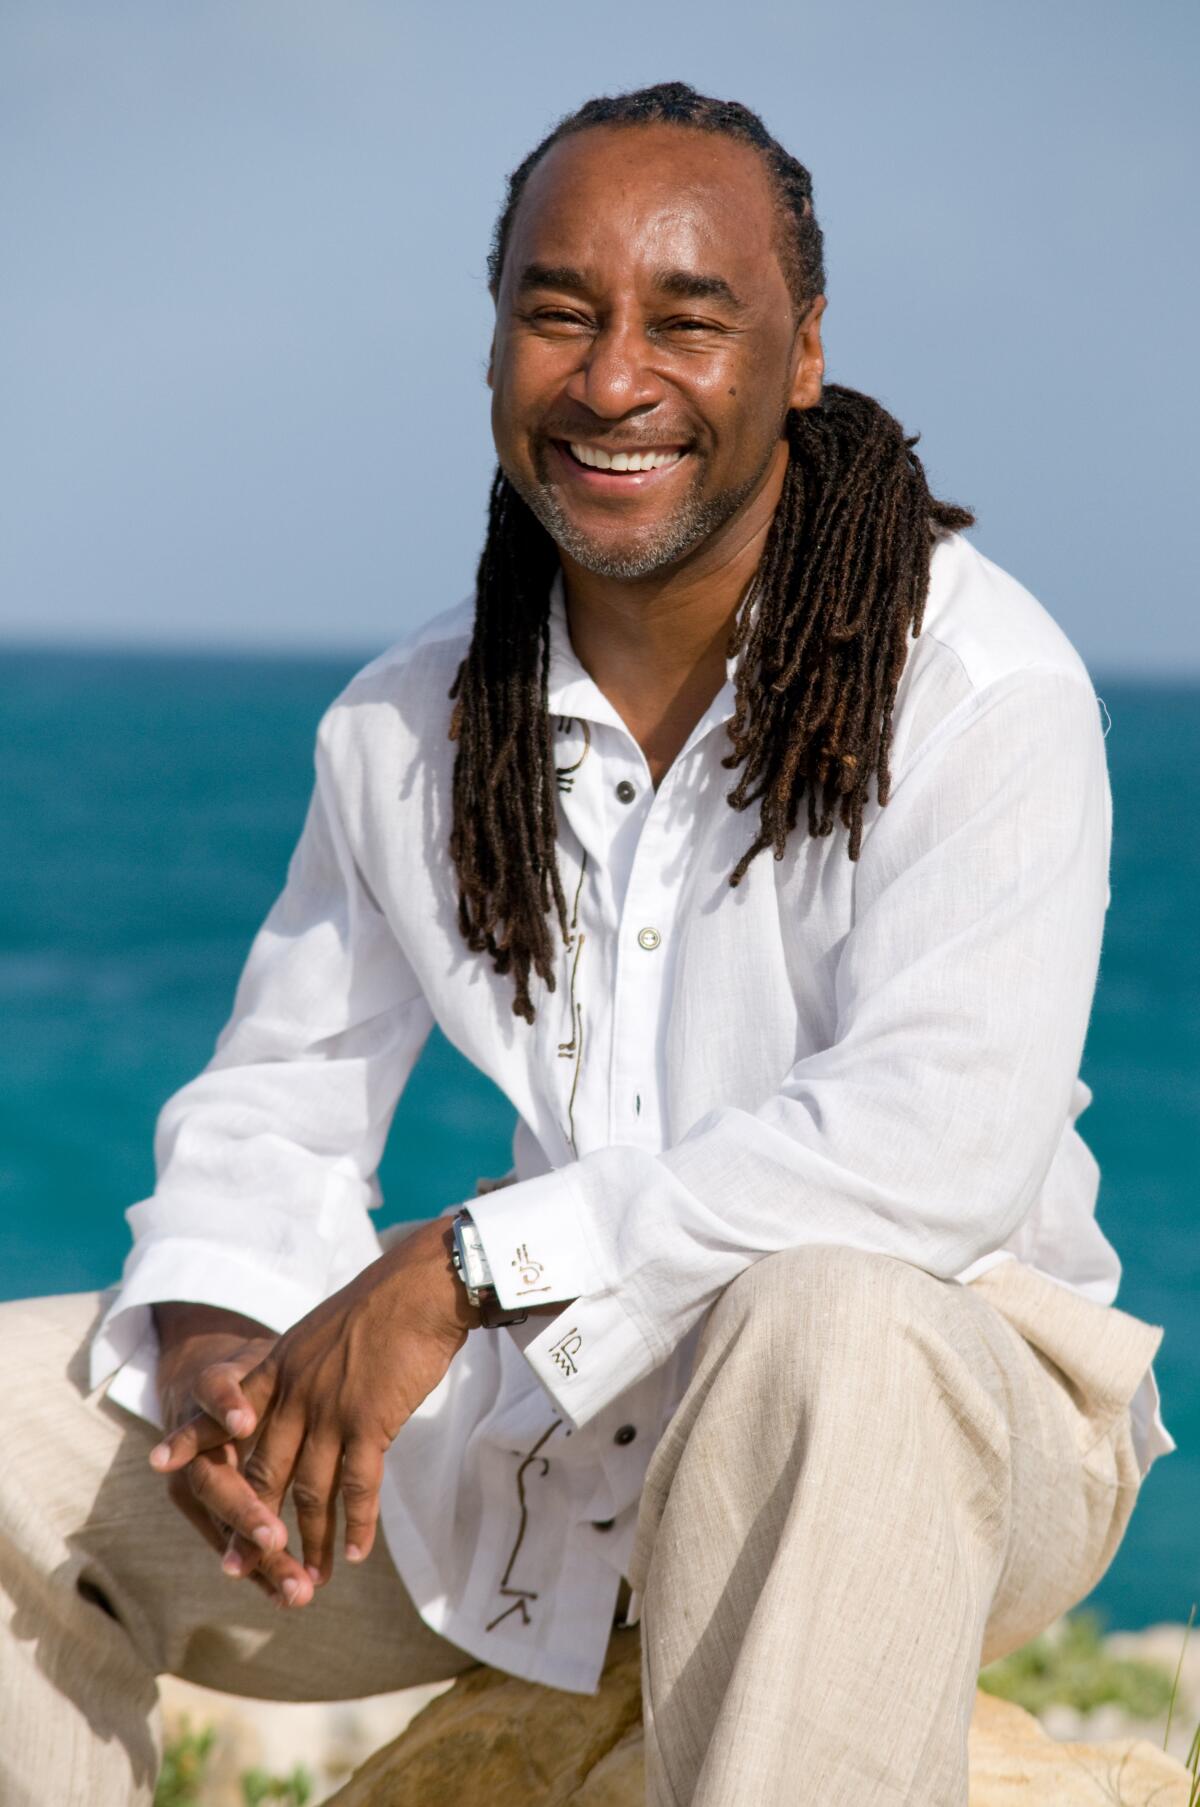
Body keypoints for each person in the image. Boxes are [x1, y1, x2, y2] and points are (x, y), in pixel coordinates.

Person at [0, 81, 1177, 1807]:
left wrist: (467, 1265)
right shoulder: (408, 728)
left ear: (802, 356)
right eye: (561, 313)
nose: (614, 378)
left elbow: (935, 1149)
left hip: (940, 1434)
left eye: (688, 322)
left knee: (830, 1321)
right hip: (544, 1463)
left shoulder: (981, 689)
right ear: (493, 351)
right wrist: (215, 1347)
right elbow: (276, 1107)